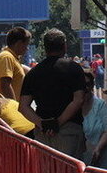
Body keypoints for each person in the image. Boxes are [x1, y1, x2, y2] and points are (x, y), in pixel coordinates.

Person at [19, 29, 87, 158]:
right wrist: (58, 123)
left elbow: (23, 106)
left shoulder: (33, 73)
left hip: (42, 135)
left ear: (45, 48)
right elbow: (78, 100)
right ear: (64, 46)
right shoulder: (74, 69)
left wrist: (42, 124)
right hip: (69, 131)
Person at [80, 71, 107, 169]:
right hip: (81, 162)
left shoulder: (100, 105)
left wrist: (98, 148)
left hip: (103, 160)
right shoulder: (73, 107)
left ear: (92, 86)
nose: (85, 88)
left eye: (88, 84)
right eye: (82, 85)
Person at [0, 27, 31, 103]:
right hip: (8, 109)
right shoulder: (6, 57)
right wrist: (14, 107)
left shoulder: (13, 57)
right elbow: (5, 84)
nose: (27, 48)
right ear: (19, 43)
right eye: (26, 44)